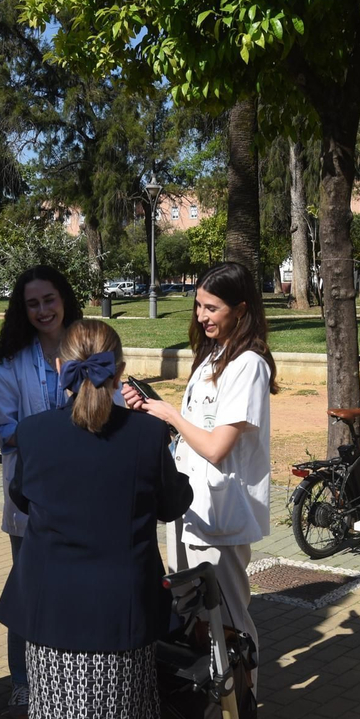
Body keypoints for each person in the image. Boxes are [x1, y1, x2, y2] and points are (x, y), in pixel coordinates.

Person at [0, 320, 194, 719]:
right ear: (119, 370)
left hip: (52, 604)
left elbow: (24, 496)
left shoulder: (34, 434)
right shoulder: (148, 436)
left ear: (62, 368)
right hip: (120, 604)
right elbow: (174, 502)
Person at [125, 262, 276, 664]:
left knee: (229, 620)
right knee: (194, 617)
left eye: (212, 308)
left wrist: (170, 414)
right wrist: (154, 414)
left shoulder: (248, 366)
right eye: (198, 306)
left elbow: (216, 448)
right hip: (189, 507)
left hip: (220, 517)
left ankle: (240, 717)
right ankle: (212, 709)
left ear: (240, 309)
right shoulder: (213, 357)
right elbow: (195, 435)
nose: (202, 316)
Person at [0, 265, 85, 719]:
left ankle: (72, 674)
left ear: (63, 299)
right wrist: (49, 434)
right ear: (22, 310)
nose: (43, 310)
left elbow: (113, 404)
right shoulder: (12, 363)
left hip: (83, 497)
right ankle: (24, 681)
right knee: (28, 588)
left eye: (49, 299)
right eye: (33, 303)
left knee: (76, 587)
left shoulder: (89, 350)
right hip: (30, 496)